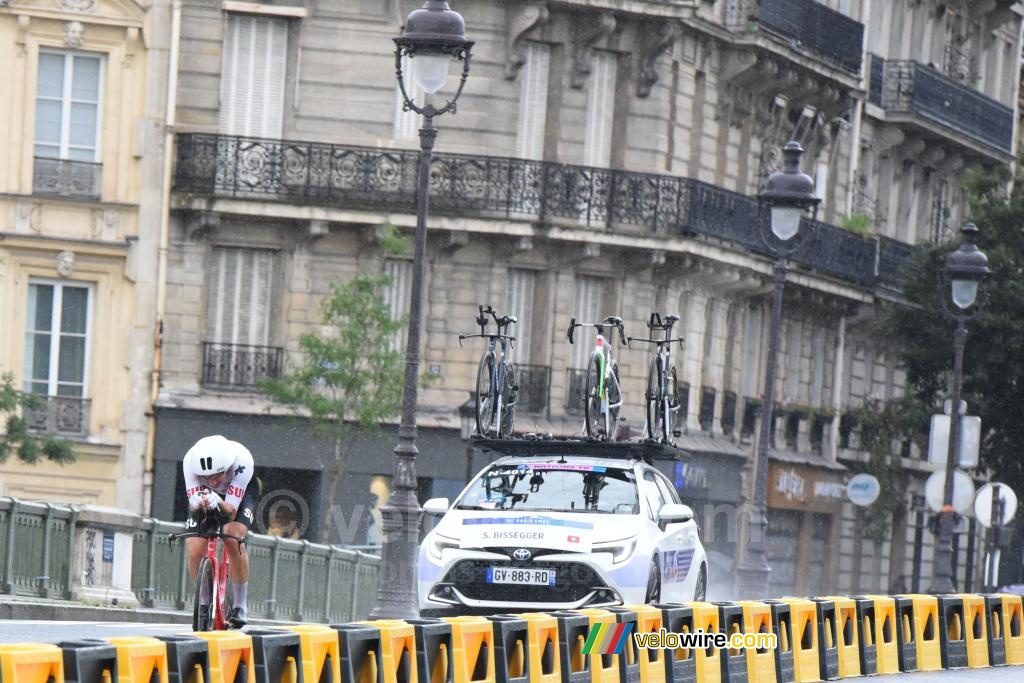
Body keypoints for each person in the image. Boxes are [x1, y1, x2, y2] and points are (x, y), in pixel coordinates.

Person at [183, 435, 258, 628]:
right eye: (205, 477)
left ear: (226, 468)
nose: (212, 481)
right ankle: (204, 602)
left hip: (239, 496)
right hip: (205, 497)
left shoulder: (242, 462)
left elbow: (231, 512)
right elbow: (194, 508)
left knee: (232, 537)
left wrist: (219, 500)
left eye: (216, 476)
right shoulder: (189, 462)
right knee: (193, 545)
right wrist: (195, 504)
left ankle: (240, 605)